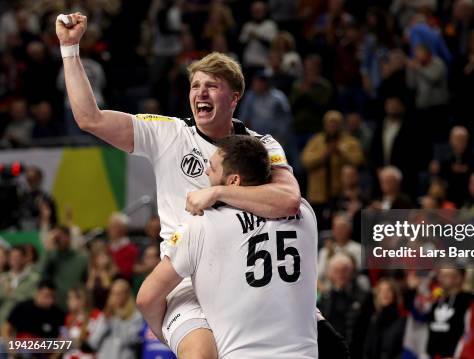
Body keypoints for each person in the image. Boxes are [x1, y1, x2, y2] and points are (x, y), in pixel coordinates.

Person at [56, 12, 307, 358]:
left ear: (234, 98)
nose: (200, 93)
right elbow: (89, 118)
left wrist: (216, 192)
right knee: (202, 354)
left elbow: (288, 199)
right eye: (195, 86)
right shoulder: (169, 134)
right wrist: (70, 49)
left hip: (244, 279)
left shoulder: (261, 145)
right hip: (183, 281)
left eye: (212, 86)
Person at [137, 136, 318, 358]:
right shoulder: (306, 214)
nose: (206, 173)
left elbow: (146, 299)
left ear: (233, 181)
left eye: (212, 168)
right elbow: (287, 199)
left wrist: (168, 335)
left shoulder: (200, 225)